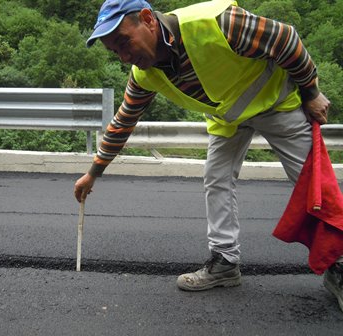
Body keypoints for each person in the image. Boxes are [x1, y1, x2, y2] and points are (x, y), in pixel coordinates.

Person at [74, 0, 342, 311]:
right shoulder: (144, 75)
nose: (124, 56)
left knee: (313, 183)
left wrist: (310, 92)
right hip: (228, 119)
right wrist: (93, 173)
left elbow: (285, 39)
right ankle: (225, 262)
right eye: (115, 52)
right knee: (216, 179)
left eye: (124, 42)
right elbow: (123, 121)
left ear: (147, 19)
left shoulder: (216, 22)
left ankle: (339, 264)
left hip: (275, 103)